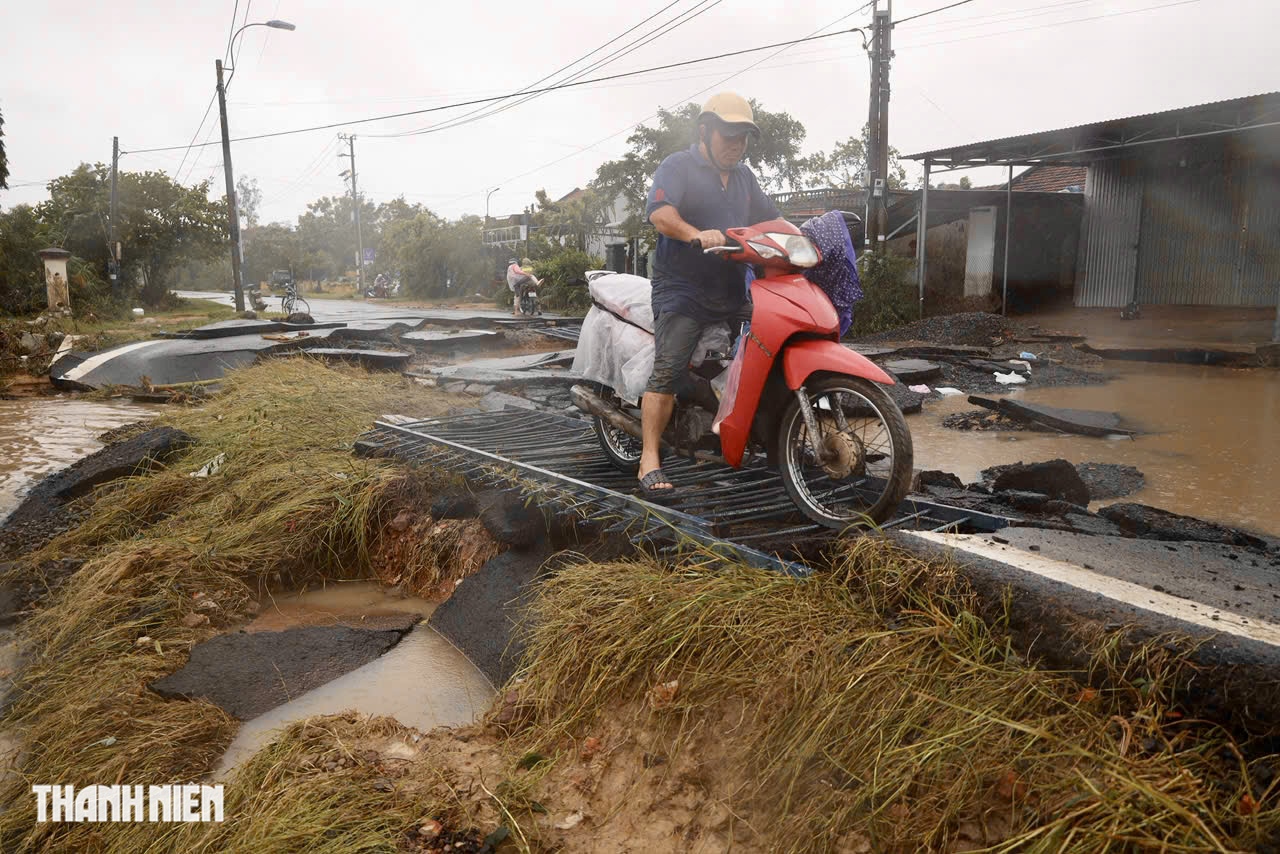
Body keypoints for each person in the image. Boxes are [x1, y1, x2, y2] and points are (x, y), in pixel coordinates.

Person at [637, 92, 781, 498]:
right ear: (706, 131)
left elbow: (771, 219)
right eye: (728, 135)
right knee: (668, 369)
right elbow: (661, 215)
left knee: (765, 352)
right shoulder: (678, 166)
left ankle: (757, 439)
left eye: (743, 138)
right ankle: (649, 458)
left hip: (732, 286)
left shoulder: (745, 179)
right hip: (682, 288)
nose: (736, 145)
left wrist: (806, 232)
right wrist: (696, 234)